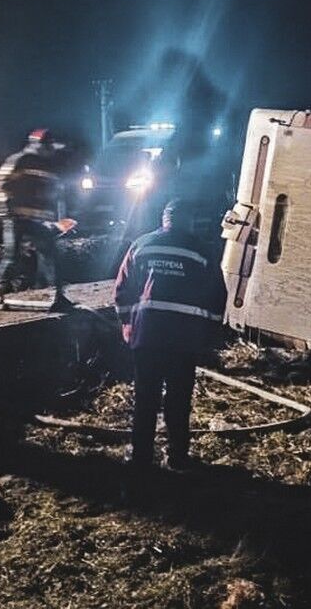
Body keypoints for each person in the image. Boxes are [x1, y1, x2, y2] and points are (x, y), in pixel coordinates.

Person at [114, 199, 227, 471]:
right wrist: (209, 334)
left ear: (164, 219)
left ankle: (140, 456)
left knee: (145, 396)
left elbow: (122, 289)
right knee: (178, 398)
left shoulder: (141, 245)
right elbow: (217, 296)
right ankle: (177, 457)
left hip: (147, 335)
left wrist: (127, 323)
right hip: (184, 339)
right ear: (189, 221)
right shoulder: (203, 250)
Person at [0, 129, 73, 312]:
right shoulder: (19, 160)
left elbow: (50, 196)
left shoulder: (47, 166)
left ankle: (59, 297)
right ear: (37, 145)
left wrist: (55, 222)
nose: (50, 150)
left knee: (52, 255)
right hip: (17, 218)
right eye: (48, 146)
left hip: (37, 221)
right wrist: (7, 210)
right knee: (12, 257)